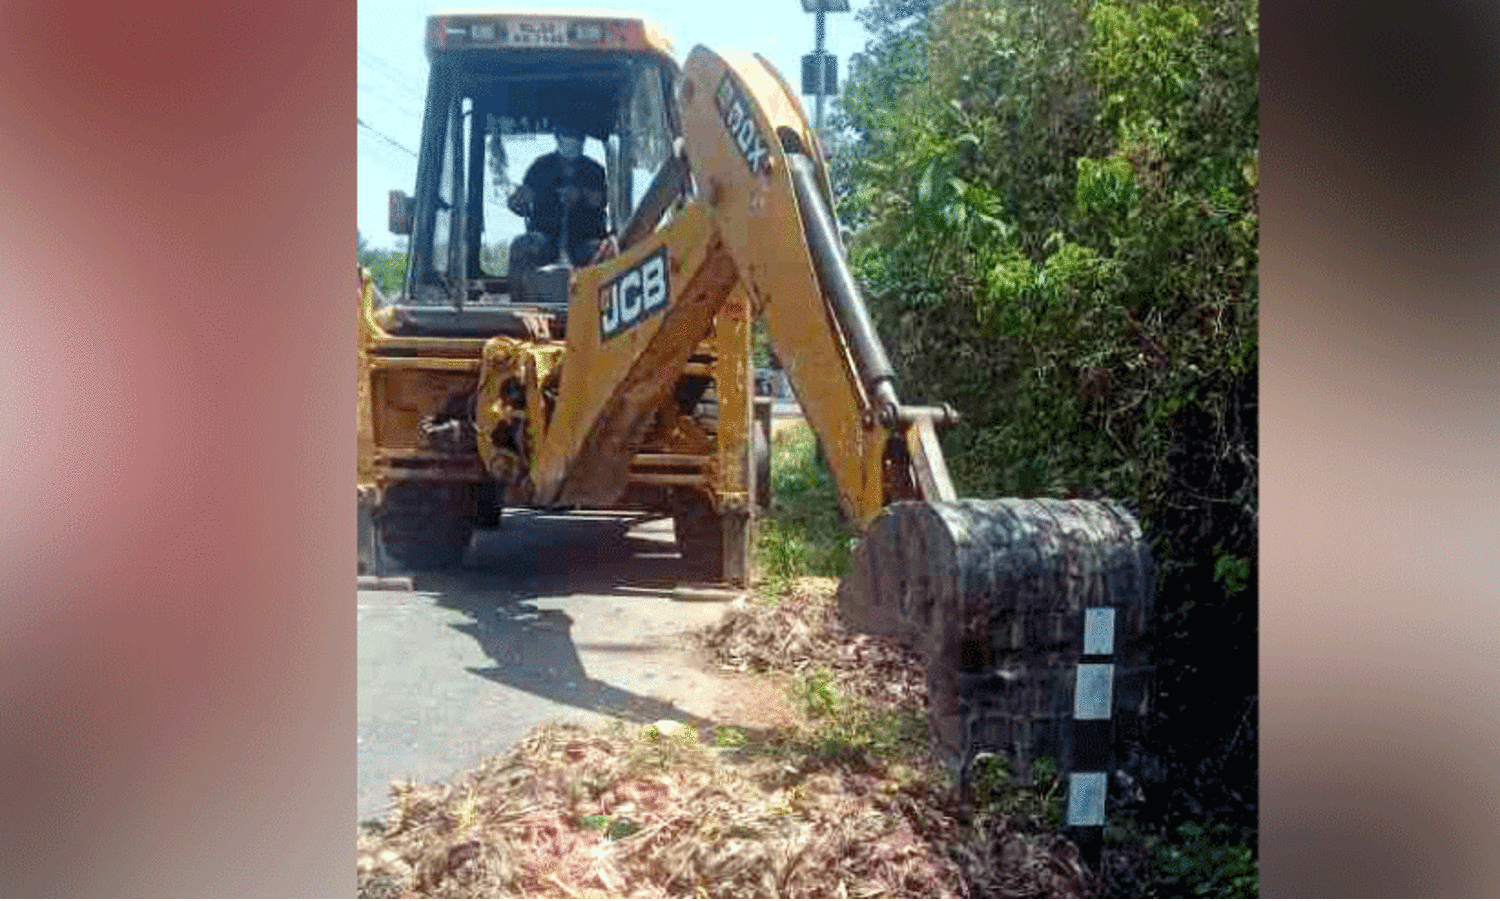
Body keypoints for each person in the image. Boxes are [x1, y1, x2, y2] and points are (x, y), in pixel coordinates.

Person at [507, 126, 608, 269]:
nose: (572, 140)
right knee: (522, 246)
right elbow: (521, 199)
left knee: (603, 251)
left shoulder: (594, 170)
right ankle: (522, 290)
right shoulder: (540, 167)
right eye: (568, 134)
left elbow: (601, 200)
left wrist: (581, 194)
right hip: (545, 240)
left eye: (577, 136)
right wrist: (518, 202)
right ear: (558, 136)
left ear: (583, 139)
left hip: (585, 240)